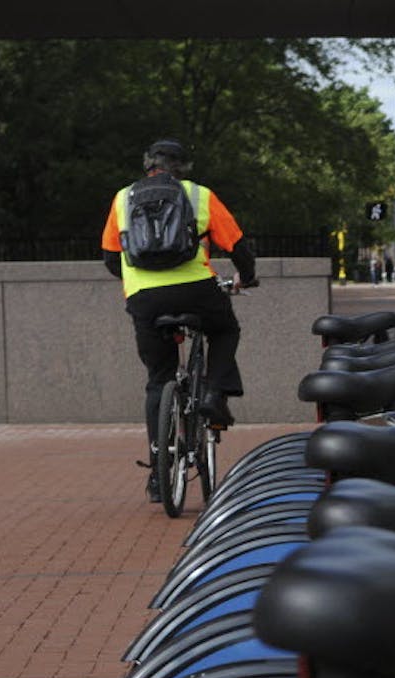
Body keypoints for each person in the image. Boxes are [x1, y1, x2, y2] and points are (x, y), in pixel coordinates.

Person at [101, 139, 257, 502]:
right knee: (225, 328)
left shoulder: (123, 198)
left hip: (143, 297)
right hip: (196, 290)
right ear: (182, 167)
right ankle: (215, 393)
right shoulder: (199, 195)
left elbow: (111, 259)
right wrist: (246, 276)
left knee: (159, 379)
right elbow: (237, 246)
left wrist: (141, 283)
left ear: (147, 164)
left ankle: (159, 475)